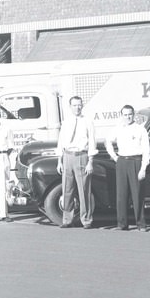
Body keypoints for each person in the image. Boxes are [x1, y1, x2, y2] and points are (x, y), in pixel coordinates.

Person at [105, 104, 150, 231]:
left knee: (137, 194)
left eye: (130, 114)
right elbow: (108, 141)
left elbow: (146, 151)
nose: (128, 117)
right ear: (122, 115)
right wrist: (114, 157)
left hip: (136, 161)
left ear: (133, 114)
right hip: (122, 162)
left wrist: (143, 168)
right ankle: (122, 224)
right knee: (121, 194)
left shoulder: (140, 129)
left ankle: (141, 224)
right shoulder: (118, 129)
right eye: (125, 115)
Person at [55, 95, 98, 228]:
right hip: (67, 156)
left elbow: (92, 142)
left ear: (82, 105)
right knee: (67, 189)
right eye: (74, 105)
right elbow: (61, 142)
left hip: (81, 156)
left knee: (84, 189)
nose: (77, 107)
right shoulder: (66, 122)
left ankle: (86, 220)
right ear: (70, 106)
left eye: (79, 105)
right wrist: (59, 161)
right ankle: (67, 220)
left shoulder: (88, 122)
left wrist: (90, 161)